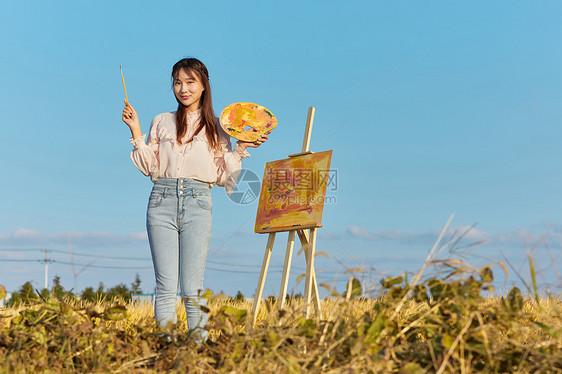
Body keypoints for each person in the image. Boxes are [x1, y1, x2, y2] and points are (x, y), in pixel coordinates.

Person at [121, 58, 268, 339]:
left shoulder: (217, 126)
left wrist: (238, 150)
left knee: (192, 288)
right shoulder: (162, 121)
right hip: (161, 199)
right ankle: (166, 349)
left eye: (190, 82)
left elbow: (228, 180)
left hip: (198, 200)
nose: (183, 88)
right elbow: (149, 167)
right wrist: (136, 131)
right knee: (165, 287)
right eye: (177, 82)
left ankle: (196, 354)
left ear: (203, 86)